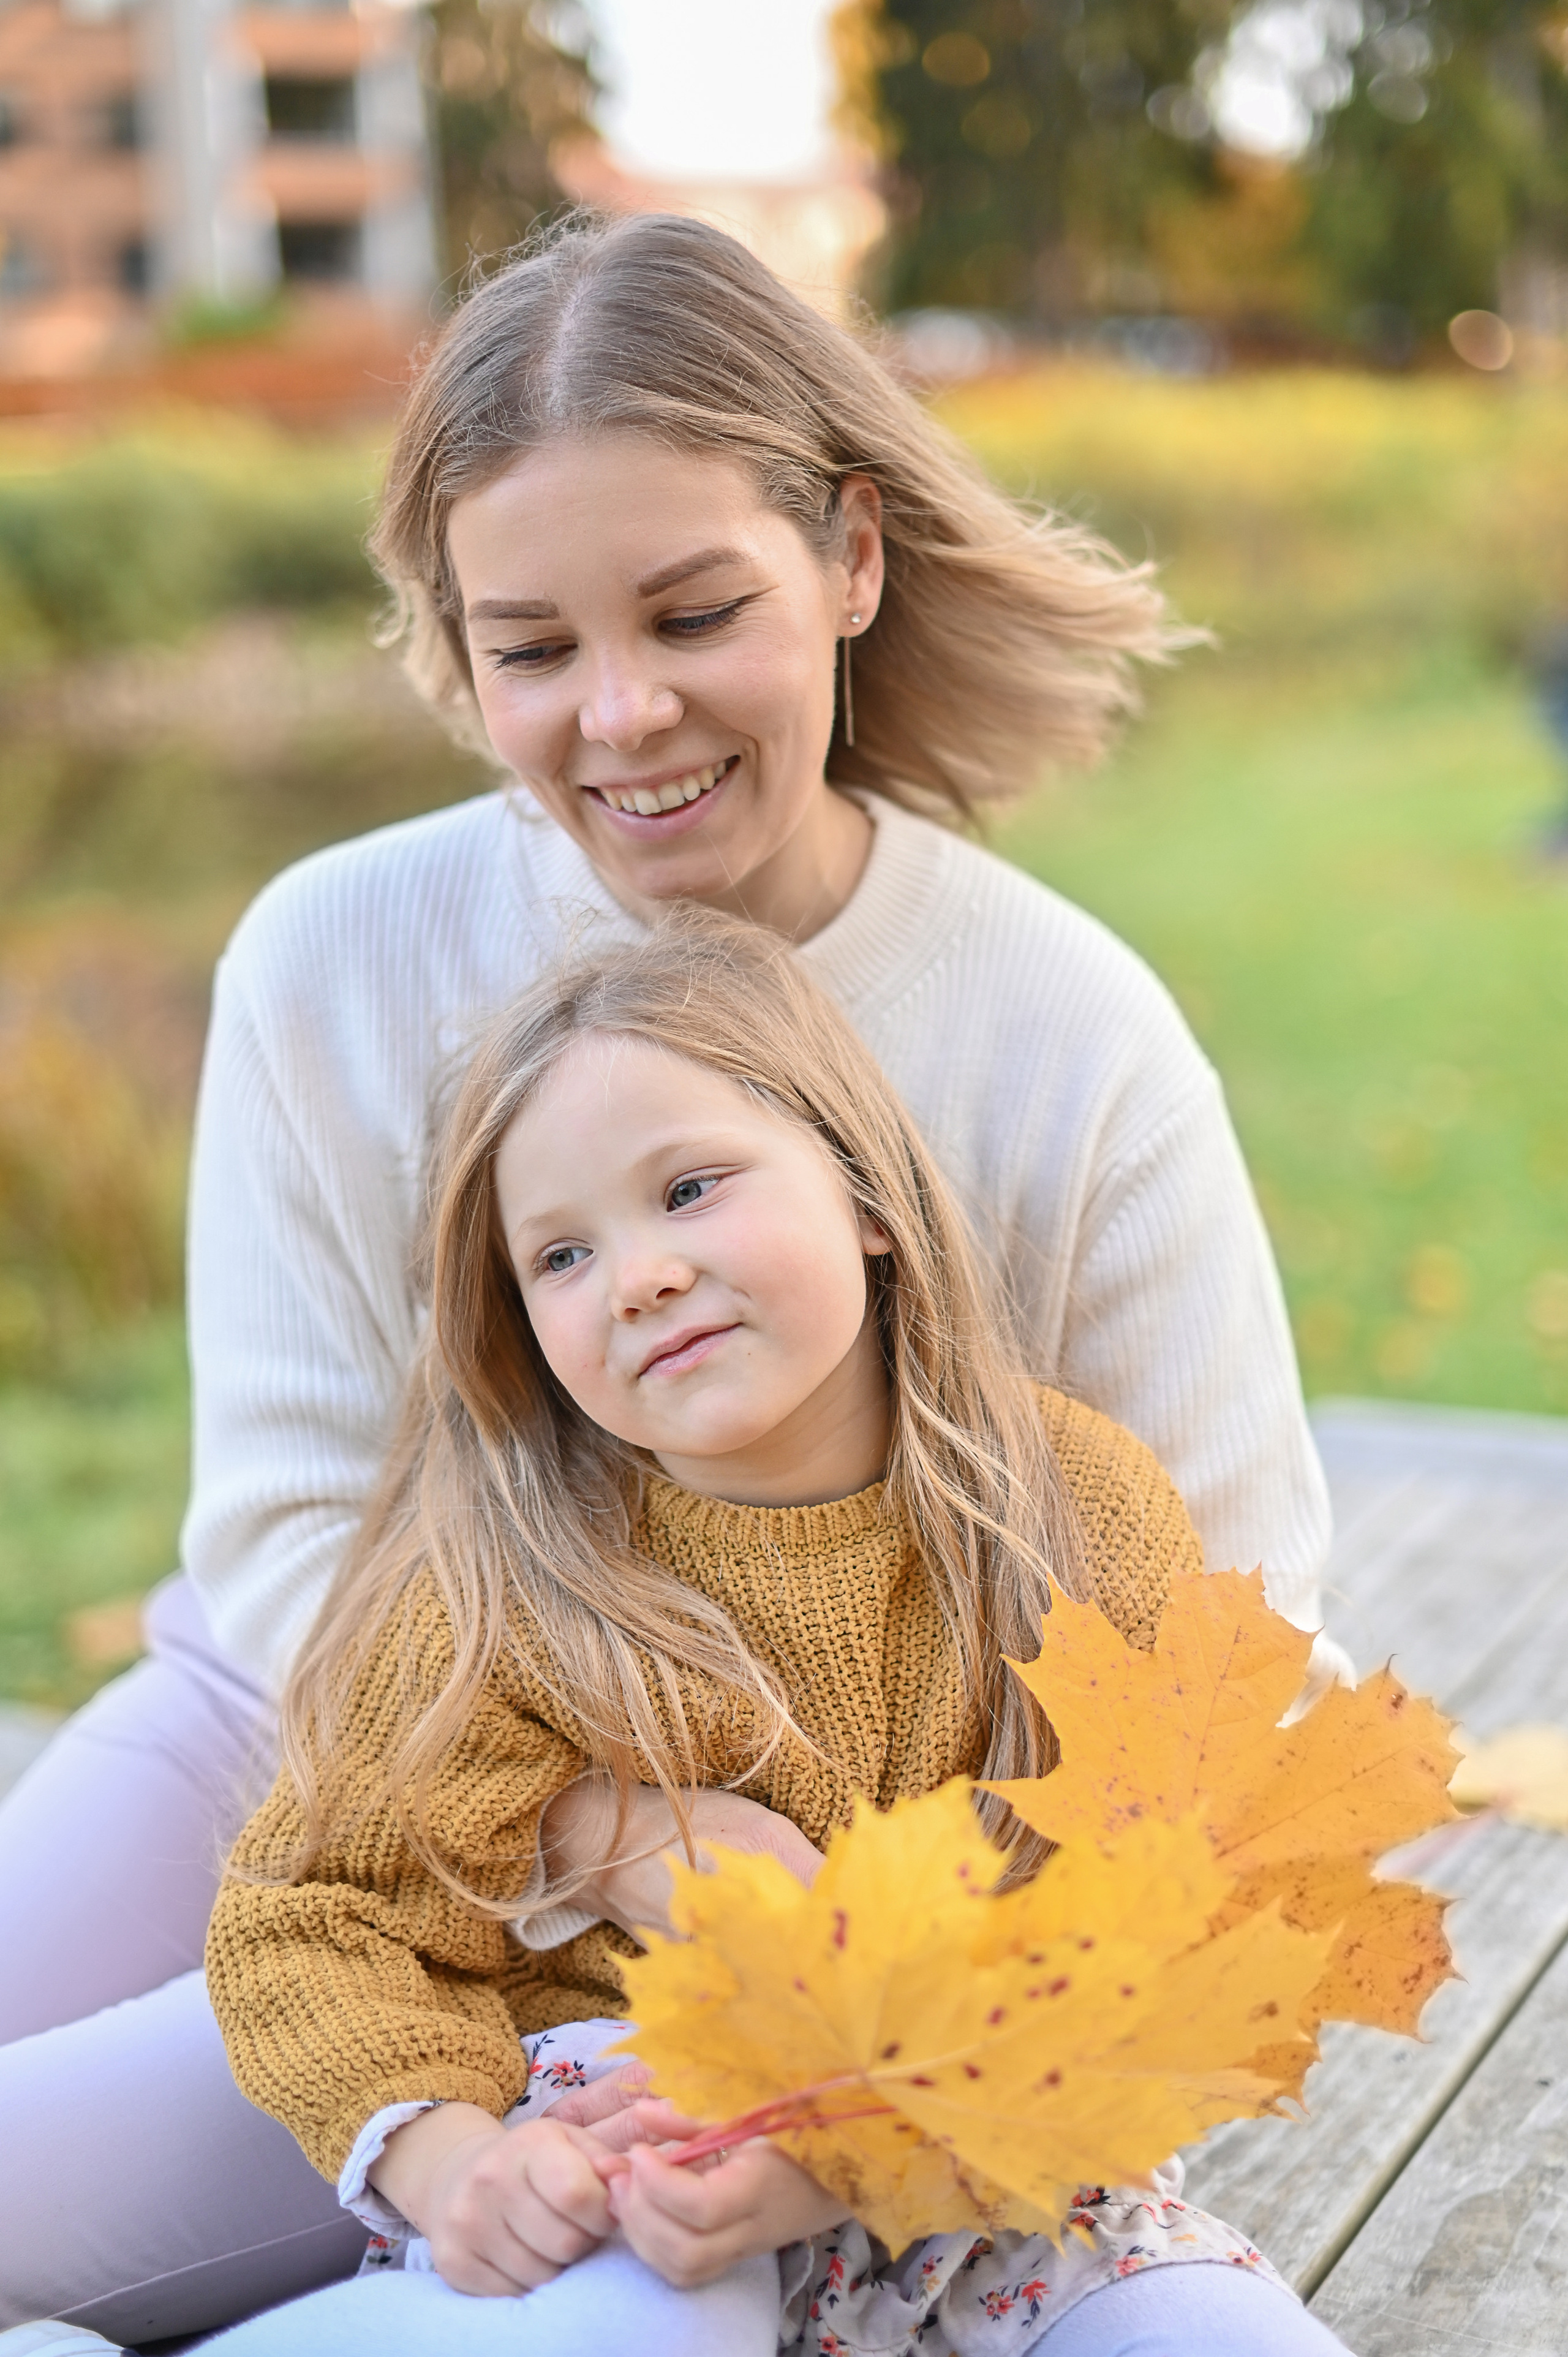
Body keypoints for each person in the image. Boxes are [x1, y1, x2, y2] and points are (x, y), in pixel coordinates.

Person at [0, 211, 1337, 2344]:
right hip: (344, 1751)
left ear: (852, 562)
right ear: (456, 645)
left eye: (696, 609)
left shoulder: (1064, 1033)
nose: (623, 712)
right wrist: (612, 1828)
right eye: (531, 646)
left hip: (874, 1914)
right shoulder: (334, 958)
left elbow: (1230, 1652)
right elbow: (280, 1527)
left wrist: (873, 1972)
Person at [176, 920, 1346, 2357]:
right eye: (559, 1254)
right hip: (644, 2148)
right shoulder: (510, 1588)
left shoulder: (1070, 1509)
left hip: (996, 2153)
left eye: (689, 1188)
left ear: (862, 1192)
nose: (640, 1276)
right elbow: (316, 1909)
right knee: (644, 2326)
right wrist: (451, 2159)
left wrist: (845, 2146)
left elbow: (1180, 1910)